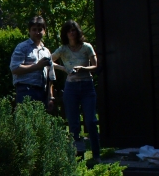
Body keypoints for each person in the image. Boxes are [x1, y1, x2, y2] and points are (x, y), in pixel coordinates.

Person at [51, 20, 100, 163]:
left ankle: (96, 155)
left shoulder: (86, 47)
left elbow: (95, 66)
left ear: (78, 32)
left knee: (91, 121)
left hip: (87, 86)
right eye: (69, 31)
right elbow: (48, 60)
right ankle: (78, 156)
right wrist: (63, 68)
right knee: (73, 123)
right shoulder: (63, 49)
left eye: (73, 30)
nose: (71, 33)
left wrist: (83, 68)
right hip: (71, 88)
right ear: (65, 34)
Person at [10, 16, 56, 110]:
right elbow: (14, 68)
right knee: (25, 118)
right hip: (25, 90)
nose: (37, 32)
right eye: (34, 29)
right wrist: (37, 66)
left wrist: (50, 97)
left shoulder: (46, 51)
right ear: (29, 31)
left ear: (44, 31)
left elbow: (50, 77)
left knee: (40, 119)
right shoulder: (22, 47)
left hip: (42, 92)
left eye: (40, 30)